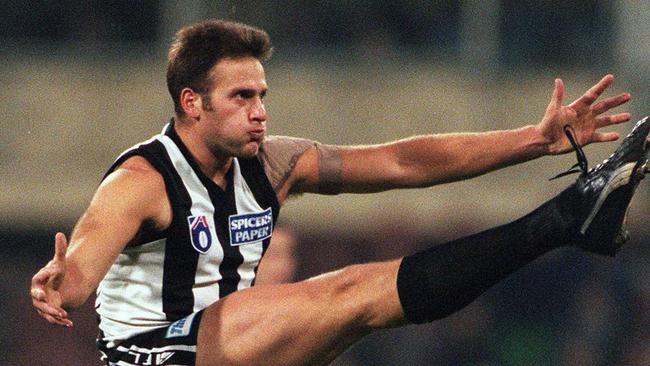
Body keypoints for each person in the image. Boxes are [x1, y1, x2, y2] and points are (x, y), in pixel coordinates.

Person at [30, 19, 649, 366]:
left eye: (263, 96)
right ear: (191, 104)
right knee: (351, 292)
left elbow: (402, 161)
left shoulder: (273, 164)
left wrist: (534, 140)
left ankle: (572, 219)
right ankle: (566, 219)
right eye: (241, 97)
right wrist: (58, 284)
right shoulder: (141, 183)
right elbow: (80, 272)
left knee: (368, 309)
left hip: (224, 346)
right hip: (152, 357)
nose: (259, 112)